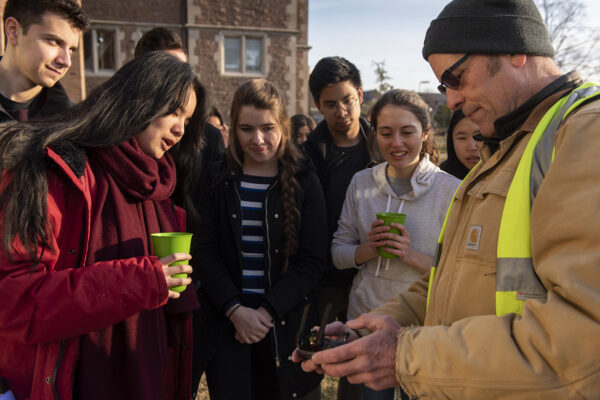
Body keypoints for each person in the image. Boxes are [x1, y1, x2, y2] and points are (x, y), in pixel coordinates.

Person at [294, 0, 600, 398]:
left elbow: (581, 341)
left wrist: (403, 356)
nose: (452, 101)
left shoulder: (584, 136)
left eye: (456, 77)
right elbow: (452, 279)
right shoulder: (510, 147)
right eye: (444, 86)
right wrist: (373, 326)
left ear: (516, 49)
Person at [0, 52, 203, 400]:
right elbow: (14, 302)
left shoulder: (161, 188)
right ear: (138, 99)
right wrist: (142, 280)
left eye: (187, 118)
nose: (180, 128)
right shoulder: (57, 172)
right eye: (173, 111)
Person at [194, 79, 327, 400]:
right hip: (228, 325)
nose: (258, 139)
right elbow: (204, 251)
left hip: (286, 323)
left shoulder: (304, 179)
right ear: (234, 129)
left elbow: (312, 259)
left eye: (268, 127)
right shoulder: (215, 178)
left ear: (282, 125)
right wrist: (235, 310)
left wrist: (265, 312)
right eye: (246, 129)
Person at [331, 89, 459, 400]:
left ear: (425, 133)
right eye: (386, 133)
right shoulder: (361, 183)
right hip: (368, 324)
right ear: (375, 135)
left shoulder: (451, 190)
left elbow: (459, 272)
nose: (396, 143)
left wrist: (410, 255)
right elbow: (338, 254)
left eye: (407, 132)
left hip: (424, 331)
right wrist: (368, 249)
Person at [303, 56, 375, 400]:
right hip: (326, 277)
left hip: (377, 273)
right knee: (319, 359)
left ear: (360, 94)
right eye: (330, 104)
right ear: (317, 105)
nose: (341, 111)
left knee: (362, 371)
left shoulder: (383, 144)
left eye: (347, 100)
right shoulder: (306, 156)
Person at [0, 0, 88, 123]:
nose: (67, 62)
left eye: (71, 50)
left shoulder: (70, 127)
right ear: (13, 31)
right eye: (54, 42)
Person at [439, 109, 482, 179]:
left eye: (479, 136)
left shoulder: (504, 176)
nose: (472, 147)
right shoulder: (441, 178)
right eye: (462, 138)